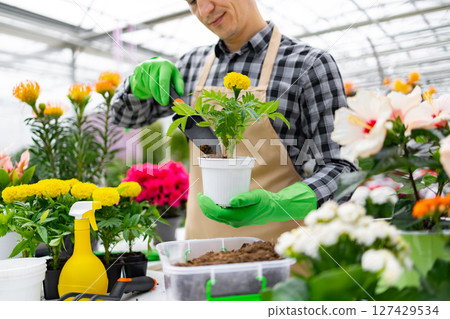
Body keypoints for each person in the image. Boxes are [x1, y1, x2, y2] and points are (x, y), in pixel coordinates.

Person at [111, 0, 357, 242]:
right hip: (201, 259)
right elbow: (125, 117)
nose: (204, 10)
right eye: (193, 2)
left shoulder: (309, 64)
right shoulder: (190, 65)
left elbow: (343, 168)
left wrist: (283, 203)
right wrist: (135, 84)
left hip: (283, 262)